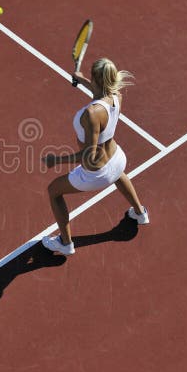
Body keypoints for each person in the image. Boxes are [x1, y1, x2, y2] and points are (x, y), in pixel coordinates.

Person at [41, 58, 149, 255]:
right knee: (119, 174)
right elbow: (100, 94)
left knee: (53, 191)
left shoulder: (91, 114)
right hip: (117, 159)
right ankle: (140, 213)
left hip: (96, 174)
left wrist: (55, 160)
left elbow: (88, 155)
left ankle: (65, 244)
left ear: (96, 79)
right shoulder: (116, 96)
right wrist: (81, 79)